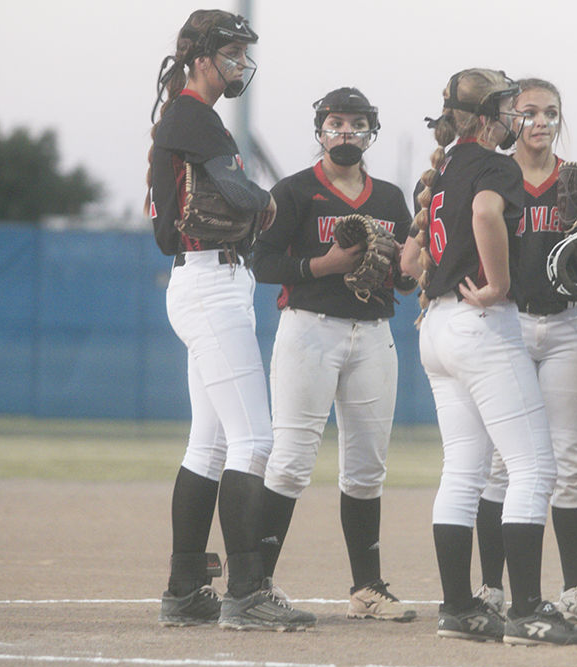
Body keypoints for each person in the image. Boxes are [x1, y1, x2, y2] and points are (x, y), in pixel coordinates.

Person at [400, 68, 577, 646]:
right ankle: (530, 610)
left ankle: (459, 607)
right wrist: (499, 282)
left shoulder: (444, 166)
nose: (520, 118)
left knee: (464, 470)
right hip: (479, 323)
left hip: (437, 325)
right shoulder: (491, 164)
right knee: (535, 467)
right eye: (511, 108)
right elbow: (487, 214)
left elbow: (412, 264)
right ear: (487, 119)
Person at [147, 9, 314, 631]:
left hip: (209, 280)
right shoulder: (193, 114)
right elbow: (240, 192)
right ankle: (246, 591)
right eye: (233, 53)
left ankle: (186, 588)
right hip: (209, 285)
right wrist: (272, 205)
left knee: (211, 443)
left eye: (245, 53)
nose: (241, 64)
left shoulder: (191, 116)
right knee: (256, 441)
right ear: (202, 58)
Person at [251, 87, 418, 622]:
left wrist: (415, 267)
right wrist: (326, 264)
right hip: (309, 330)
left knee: (367, 467)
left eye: (356, 123)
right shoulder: (296, 191)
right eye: (336, 122)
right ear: (319, 130)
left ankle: (367, 587)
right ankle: (254, 586)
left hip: (373, 334)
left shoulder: (391, 198)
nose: (346, 132)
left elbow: (406, 274)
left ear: (372, 130)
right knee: (293, 460)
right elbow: (264, 263)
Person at [471, 78, 577, 625]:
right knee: (500, 464)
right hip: (506, 324)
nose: (538, 121)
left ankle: (575, 588)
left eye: (549, 112)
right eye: (528, 111)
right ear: (511, 117)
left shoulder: (576, 181)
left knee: (570, 460)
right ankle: (491, 588)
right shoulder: (495, 176)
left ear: (561, 119)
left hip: (567, 328)